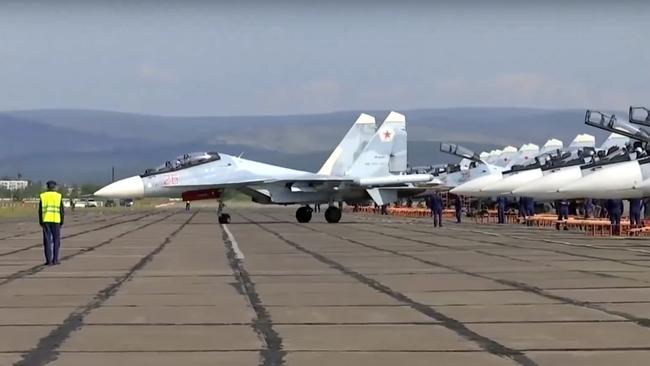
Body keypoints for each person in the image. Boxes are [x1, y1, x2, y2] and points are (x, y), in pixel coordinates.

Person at [39, 181, 64, 265]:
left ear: (47, 187)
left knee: (47, 241)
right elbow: (61, 211)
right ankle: (55, 259)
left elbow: (39, 211)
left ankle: (48, 261)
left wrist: (41, 221)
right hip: (56, 220)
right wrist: (61, 221)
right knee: (56, 241)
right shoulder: (58, 196)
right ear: (54, 187)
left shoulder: (43, 196)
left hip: (46, 220)